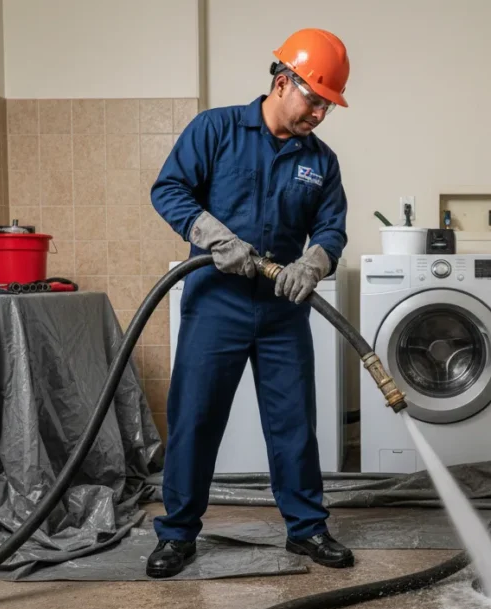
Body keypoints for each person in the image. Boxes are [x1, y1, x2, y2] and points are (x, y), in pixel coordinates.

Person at [146, 28, 354, 578]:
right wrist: (216, 237)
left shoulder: (321, 161)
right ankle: (177, 534)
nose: (320, 115)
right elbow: (168, 189)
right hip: (218, 301)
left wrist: (313, 264)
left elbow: (332, 229)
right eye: (315, 100)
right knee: (196, 416)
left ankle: (306, 528)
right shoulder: (215, 129)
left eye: (328, 106)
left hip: (284, 306)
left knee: (292, 421)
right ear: (283, 82)